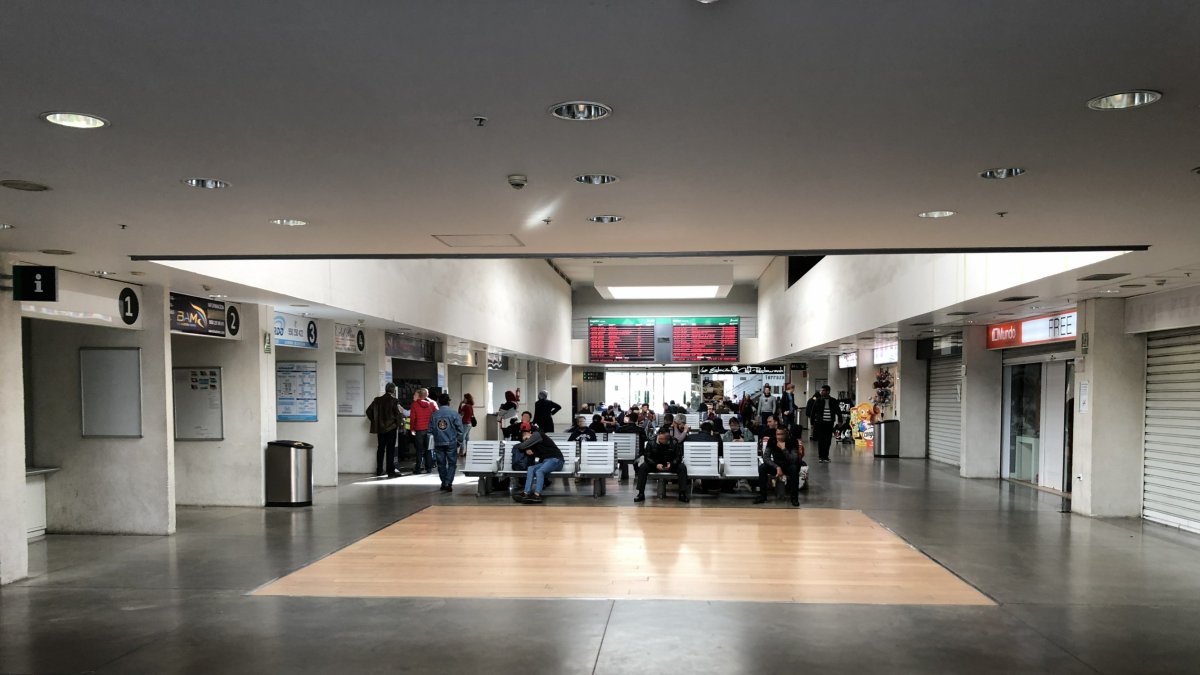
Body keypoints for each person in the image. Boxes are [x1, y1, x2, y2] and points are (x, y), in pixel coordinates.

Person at [365, 382, 407, 477]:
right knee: (390, 449)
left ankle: (379, 470)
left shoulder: (377, 400)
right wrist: (398, 425)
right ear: (393, 390)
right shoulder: (394, 401)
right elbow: (398, 414)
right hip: (391, 428)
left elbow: (368, 411)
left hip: (380, 429)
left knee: (380, 448)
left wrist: (375, 421)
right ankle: (390, 471)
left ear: (385, 389)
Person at [512, 428, 564, 504]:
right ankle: (526, 493)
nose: (527, 441)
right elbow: (525, 448)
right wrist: (527, 450)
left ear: (529, 433)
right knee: (531, 468)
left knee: (539, 471)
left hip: (556, 460)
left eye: (526, 438)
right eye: (525, 440)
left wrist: (524, 447)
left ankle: (537, 495)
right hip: (546, 462)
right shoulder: (534, 446)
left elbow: (521, 446)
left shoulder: (537, 434)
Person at [635, 431, 689, 503]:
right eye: (660, 438)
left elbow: (679, 457)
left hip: (671, 465)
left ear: (668, 438)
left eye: (663, 439)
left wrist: (672, 464)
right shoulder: (651, 442)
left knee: (682, 467)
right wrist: (655, 464)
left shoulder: (675, 442)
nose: (661, 440)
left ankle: (682, 493)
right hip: (655, 465)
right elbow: (647, 457)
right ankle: (641, 493)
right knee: (643, 467)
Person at [755, 427, 804, 507]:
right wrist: (777, 467)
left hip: (789, 466)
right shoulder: (772, 440)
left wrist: (783, 449)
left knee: (794, 468)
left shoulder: (792, 441)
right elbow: (766, 457)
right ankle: (762, 496)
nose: (779, 437)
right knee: (762, 468)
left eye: (781, 434)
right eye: (777, 434)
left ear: (786, 434)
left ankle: (794, 498)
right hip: (777, 466)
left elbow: (794, 459)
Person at [430, 393, 465, 491]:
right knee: (452, 463)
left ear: (438, 402)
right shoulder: (454, 414)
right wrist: (459, 441)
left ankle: (443, 482)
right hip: (451, 442)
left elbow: (430, 430)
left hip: (439, 442)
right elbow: (461, 430)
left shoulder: (434, 414)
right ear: (449, 402)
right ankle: (448, 483)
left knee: (441, 464)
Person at [806, 385, 839, 463]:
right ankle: (821, 456)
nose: (821, 392)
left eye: (823, 390)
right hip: (820, 423)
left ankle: (826, 456)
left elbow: (838, 411)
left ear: (828, 391)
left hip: (830, 423)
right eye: (821, 390)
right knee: (821, 440)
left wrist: (840, 420)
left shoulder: (833, 400)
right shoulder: (818, 400)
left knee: (828, 440)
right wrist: (812, 423)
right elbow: (813, 412)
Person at [409, 388, 438, 474]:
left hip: (419, 430)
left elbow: (413, 418)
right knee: (428, 449)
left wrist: (412, 429)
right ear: (426, 395)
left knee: (419, 450)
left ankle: (418, 469)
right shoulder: (431, 404)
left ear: (419, 395)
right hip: (429, 430)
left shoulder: (414, 405)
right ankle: (428, 468)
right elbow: (437, 413)